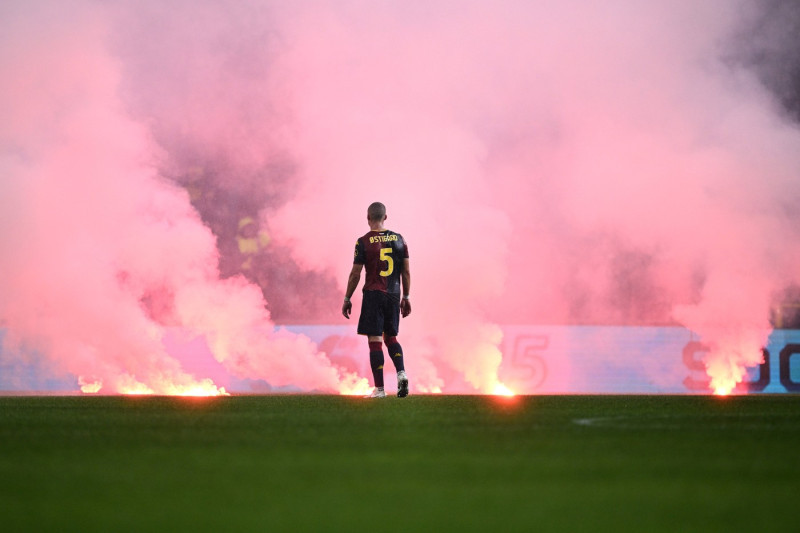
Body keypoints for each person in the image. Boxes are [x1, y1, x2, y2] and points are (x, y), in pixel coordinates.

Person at [342, 202, 411, 398]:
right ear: (385, 217)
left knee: (375, 341)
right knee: (391, 338)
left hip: (373, 293)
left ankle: (380, 390)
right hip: (394, 294)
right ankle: (401, 373)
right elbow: (405, 271)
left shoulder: (363, 242)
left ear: (368, 218)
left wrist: (347, 297)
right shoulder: (400, 240)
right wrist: (406, 296)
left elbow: (355, 273)